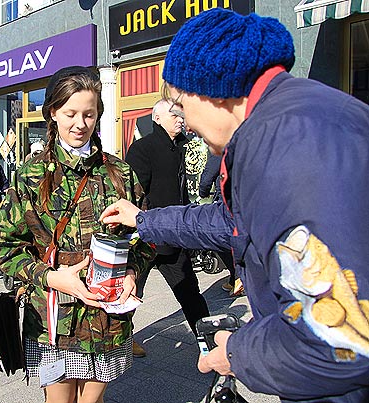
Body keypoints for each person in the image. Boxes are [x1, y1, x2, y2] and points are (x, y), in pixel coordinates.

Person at [100, 8, 369, 403]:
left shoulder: (293, 148)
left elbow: (342, 339)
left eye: (179, 105)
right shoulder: (285, 124)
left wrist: (238, 353)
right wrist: (144, 219)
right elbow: (233, 222)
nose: (185, 122)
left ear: (208, 90)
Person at [0, 66, 154, 403]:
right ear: (53, 113)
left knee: (92, 401)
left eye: (89, 114)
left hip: (106, 315)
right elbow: (3, 248)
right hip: (55, 318)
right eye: (71, 113)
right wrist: (51, 278)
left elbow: (146, 235)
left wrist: (134, 271)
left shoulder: (119, 172)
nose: (80, 123)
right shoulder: (31, 176)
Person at [125, 99, 210, 353]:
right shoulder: (143, 148)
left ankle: (208, 339)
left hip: (173, 236)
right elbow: (132, 192)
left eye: (181, 114)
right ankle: (123, 340)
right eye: (173, 114)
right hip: (146, 237)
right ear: (157, 118)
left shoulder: (186, 148)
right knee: (130, 291)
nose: (180, 118)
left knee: (189, 290)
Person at [198, 154, 240, 295]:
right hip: (244, 200)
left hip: (226, 202)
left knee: (220, 240)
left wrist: (203, 192)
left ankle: (238, 277)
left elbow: (208, 175)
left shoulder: (221, 148)